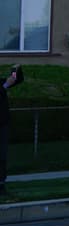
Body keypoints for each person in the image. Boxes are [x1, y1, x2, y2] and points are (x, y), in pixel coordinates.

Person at [0, 65, 22, 196]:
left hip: (2, 124)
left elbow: (15, 80)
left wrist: (16, 72)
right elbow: (4, 87)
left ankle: (1, 184)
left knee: (2, 156)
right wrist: (4, 87)